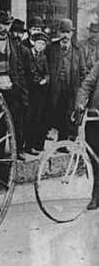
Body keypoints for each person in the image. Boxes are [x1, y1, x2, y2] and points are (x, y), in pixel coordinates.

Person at [0, 11, 28, 159]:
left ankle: (17, 150)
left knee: (16, 118)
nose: (3, 27)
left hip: (11, 85)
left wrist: (19, 87)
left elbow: (19, 67)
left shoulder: (13, 43)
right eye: (0, 24)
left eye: (6, 24)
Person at [47, 18, 86, 142]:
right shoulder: (51, 48)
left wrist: (81, 89)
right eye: (63, 32)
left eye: (68, 32)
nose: (65, 35)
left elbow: (82, 71)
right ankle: (40, 142)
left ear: (72, 33)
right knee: (51, 113)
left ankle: (63, 142)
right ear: (59, 33)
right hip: (53, 88)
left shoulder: (78, 50)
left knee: (67, 115)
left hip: (70, 88)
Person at [75, 58, 99, 210]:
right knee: (95, 159)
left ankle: (96, 196)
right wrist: (81, 102)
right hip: (94, 117)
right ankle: (96, 195)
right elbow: (87, 84)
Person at [24, 31, 50, 154]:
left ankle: (33, 145)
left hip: (40, 93)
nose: (40, 46)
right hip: (29, 90)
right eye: (39, 43)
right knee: (28, 118)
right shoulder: (28, 54)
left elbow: (47, 73)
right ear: (34, 43)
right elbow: (30, 72)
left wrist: (45, 79)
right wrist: (39, 80)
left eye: (43, 44)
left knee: (37, 118)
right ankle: (27, 146)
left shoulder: (43, 57)